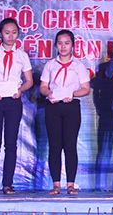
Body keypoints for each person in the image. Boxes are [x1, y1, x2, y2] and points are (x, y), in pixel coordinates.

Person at [0, 18, 33, 195]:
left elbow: (29, 81)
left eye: (14, 32)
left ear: (18, 34)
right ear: (0, 33)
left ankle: (8, 184)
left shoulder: (22, 56)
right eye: (7, 32)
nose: (11, 36)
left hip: (13, 102)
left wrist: (20, 90)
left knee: (11, 144)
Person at [39, 30, 91, 195]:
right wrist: (49, 94)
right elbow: (43, 87)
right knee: (54, 146)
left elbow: (86, 89)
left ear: (73, 45)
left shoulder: (78, 66)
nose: (63, 46)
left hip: (71, 107)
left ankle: (70, 184)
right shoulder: (50, 65)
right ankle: (56, 185)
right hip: (53, 106)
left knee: (70, 146)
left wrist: (72, 94)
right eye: (60, 43)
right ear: (56, 45)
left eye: (66, 43)